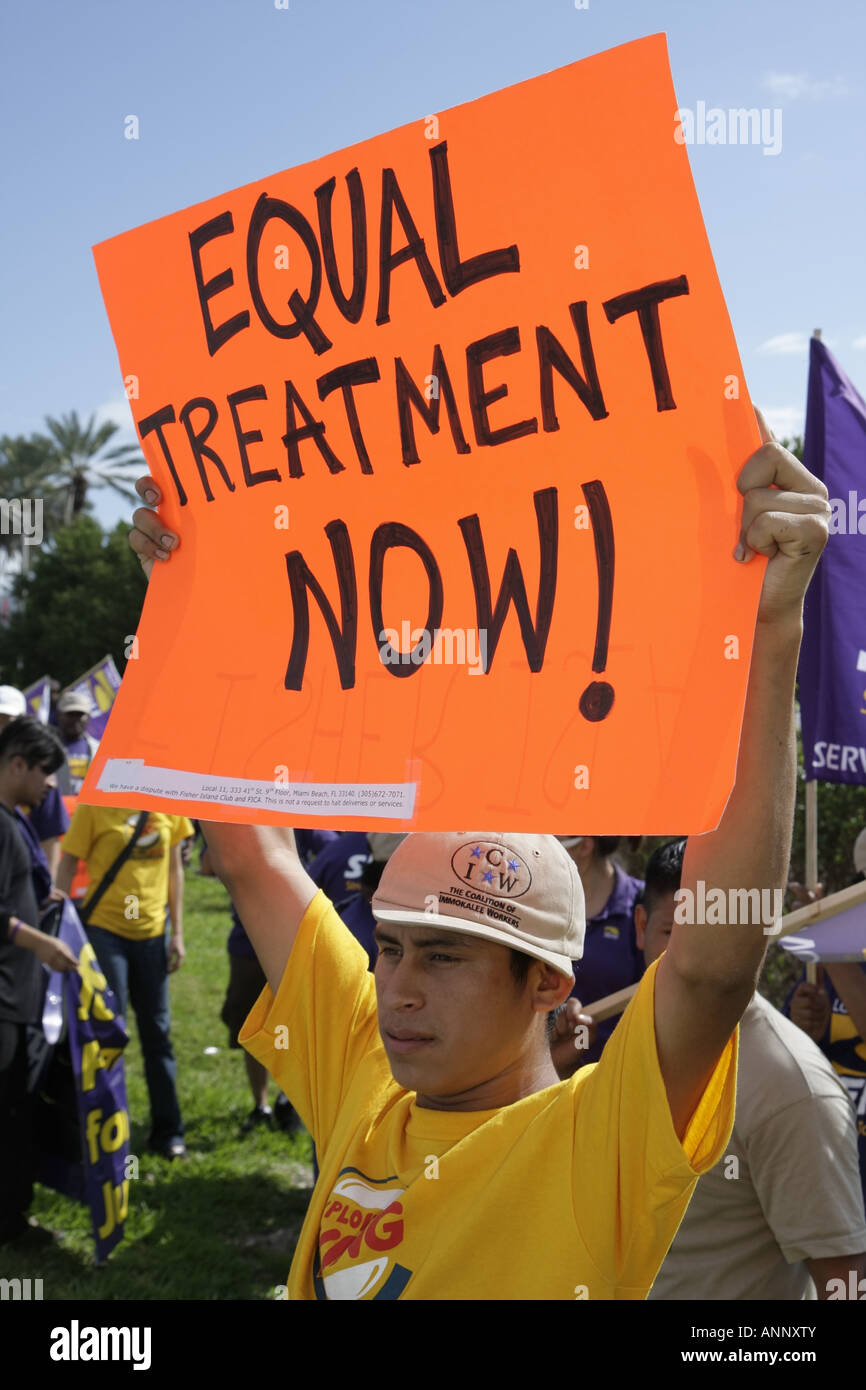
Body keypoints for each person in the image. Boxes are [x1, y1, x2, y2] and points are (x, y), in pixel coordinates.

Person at [128, 413, 830, 1299]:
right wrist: (191, 591)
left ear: (547, 984)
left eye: (447, 956)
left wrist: (771, 636)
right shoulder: (366, 1073)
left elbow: (710, 970)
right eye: (390, 946)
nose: (399, 986)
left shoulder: (596, 1146)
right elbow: (254, 858)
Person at [632, 840, 866, 1301]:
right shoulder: (628, 1045)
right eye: (672, 932)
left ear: (751, 933)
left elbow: (845, 1284)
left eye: (715, 930)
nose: (692, 958)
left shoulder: (793, 1091)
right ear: (641, 927)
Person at [55, 806, 193, 1160]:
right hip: (105, 931)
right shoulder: (95, 805)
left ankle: (169, 1131)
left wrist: (177, 932)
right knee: (109, 1033)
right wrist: (57, 920)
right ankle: (105, 1134)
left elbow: (175, 870)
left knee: (157, 1034)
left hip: (153, 934)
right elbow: (69, 861)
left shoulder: (169, 803)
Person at [0, 718, 79, 1246]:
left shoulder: (16, 819)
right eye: (45, 770)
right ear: (17, 763)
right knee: (10, 1115)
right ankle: (8, 1224)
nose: (51, 784)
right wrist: (41, 944)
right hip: (5, 1001)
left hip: (18, 997)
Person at [559, 835, 644, 1063]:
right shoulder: (535, 901)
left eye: (549, 839)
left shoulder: (646, 906)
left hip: (618, 1078)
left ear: (584, 845)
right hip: (547, 1079)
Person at [54, 690, 100, 795]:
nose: (75, 719)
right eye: (70, 714)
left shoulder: (99, 749)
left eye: (80, 714)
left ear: (88, 717)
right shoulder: (45, 747)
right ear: (59, 715)